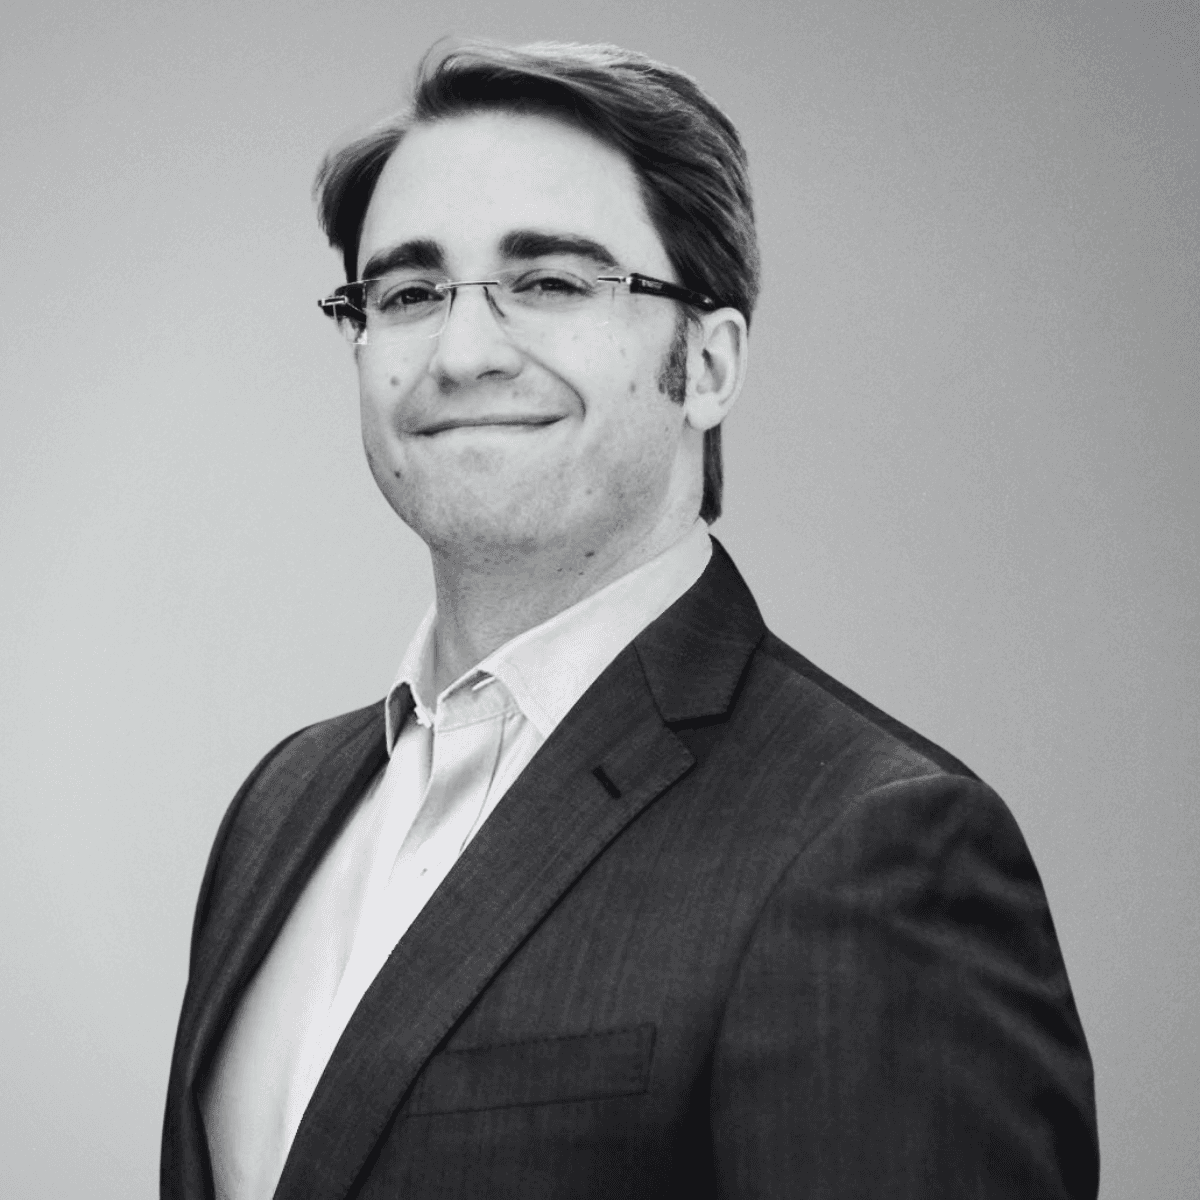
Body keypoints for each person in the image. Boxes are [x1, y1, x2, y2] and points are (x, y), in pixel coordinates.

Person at [161, 40, 1099, 1200]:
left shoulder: (872, 845)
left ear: (706, 364)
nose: (461, 353)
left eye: (550, 282)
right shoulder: (281, 807)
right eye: (407, 294)